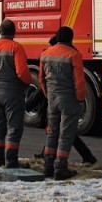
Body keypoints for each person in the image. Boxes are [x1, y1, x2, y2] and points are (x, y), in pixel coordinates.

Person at [0, 19, 33, 168]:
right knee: (14, 127)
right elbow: (22, 72)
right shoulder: (16, 47)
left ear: (0, 32)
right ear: (14, 32)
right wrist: (27, 83)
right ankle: (11, 160)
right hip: (12, 92)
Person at [39, 26, 86, 180]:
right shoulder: (74, 55)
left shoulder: (45, 54)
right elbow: (79, 81)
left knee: (52, 132)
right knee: (65, 134)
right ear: (71, 39)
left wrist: (48, 95)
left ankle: (47, 166)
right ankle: (60, 167)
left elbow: (41, 79)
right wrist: (80, 98)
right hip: (68, 99)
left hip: (52, 99)